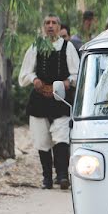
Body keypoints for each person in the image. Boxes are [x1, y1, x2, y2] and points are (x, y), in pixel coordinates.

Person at [18, 14, 79, 190]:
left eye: (54, 23)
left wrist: (68, 82)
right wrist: (34, 79)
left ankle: (61, 176)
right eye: (47, 23)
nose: (50, 26)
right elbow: (25, 73)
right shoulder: (35, 47)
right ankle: (46, 178)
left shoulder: (67, 48)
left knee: (61, 137)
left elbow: (77, 73)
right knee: (42, 139)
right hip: (40, 99)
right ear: (43, 26)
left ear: (59, 27)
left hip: (60, 98)